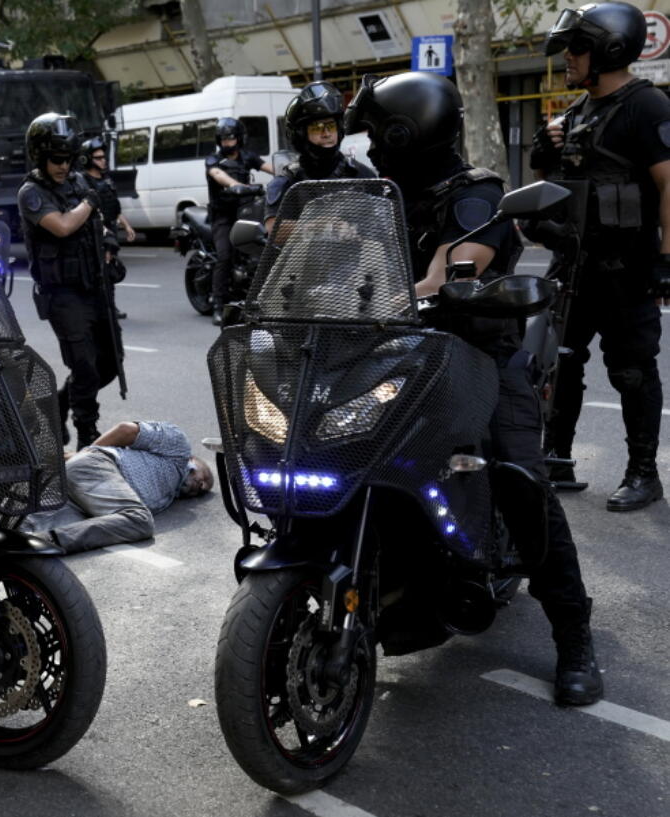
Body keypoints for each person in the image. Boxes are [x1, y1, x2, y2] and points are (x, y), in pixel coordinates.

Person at [345, 70, 603, 706]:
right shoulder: (374, 193)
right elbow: (339, 260)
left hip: (478, 359)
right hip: (398, 352)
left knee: (521, 482)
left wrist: (386, 298)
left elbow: (447, 275)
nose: (369, 145)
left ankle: (574, 637)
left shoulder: (474, 194)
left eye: (377, 133)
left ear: (406, 133)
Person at [530, 1, 669, 511]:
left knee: (632, 370)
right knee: (558, 363)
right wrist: (545, 147)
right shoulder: (576, 112)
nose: (568, 56)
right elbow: (551, 187)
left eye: (578, 47)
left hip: (625, 267)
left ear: (609, 49)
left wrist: (666, 259)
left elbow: (668, 181)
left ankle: (642, 474)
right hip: (573, 266)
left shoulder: (646, 105)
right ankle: (557, 459)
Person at [18, 112, 124, 450]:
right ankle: (87, 436)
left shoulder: (79, 183)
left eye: (68, 158)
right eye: (55, 159)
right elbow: (63, 225)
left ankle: (58, 405)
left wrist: (108, 240)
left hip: (95, 287)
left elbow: (101, 223)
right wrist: (90, 203)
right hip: (63, 294)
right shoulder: (32, 193)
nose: (63, 166)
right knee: (84, 366)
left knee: (109, 364)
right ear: (40, 156)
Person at [23, 422, 214, 552]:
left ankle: (26, 539)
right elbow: (126, 430)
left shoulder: (167, 496)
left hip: (89, 496)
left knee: (28, 529)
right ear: (193, 460)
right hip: (97, 466)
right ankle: (52, 541)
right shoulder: (178, 448)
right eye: (205, 476)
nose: (203, 485)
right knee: (139, 520)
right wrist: (86, 453)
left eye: (204, 489)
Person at [264, 81, 375, 234]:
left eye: (331, 126)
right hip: (302, 257)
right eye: (317, 128)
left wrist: (358, 232)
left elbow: (381, 226)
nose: (327, 133)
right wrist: (319, 227)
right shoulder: (288, 180)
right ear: (301, 134)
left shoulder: (362, 176)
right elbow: (273, 229)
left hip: (358, 257)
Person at [205, 117, 263, 325]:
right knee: (224, 255)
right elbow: (217, 174)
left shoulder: (247, 157)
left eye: (230, 138)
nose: (227, 142)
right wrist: (237, 185)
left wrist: (290, 172)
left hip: (245, 212)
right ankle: (218, 306)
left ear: (239, 138)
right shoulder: (213, 160)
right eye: (223, 139)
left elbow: (269, 166)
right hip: (223, 217)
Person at [79, 136, 135, 320]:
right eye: (98, 157)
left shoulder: (107, 180)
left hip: (111, 230)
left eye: (104, 157)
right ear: (88, 159)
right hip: (96, 232)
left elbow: (114, 207)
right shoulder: (83, 182)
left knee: (110, 271)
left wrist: (126, 226)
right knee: (98, 271)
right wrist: (103, 233)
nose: (103, 160)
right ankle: (99, 308)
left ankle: (110, 306)